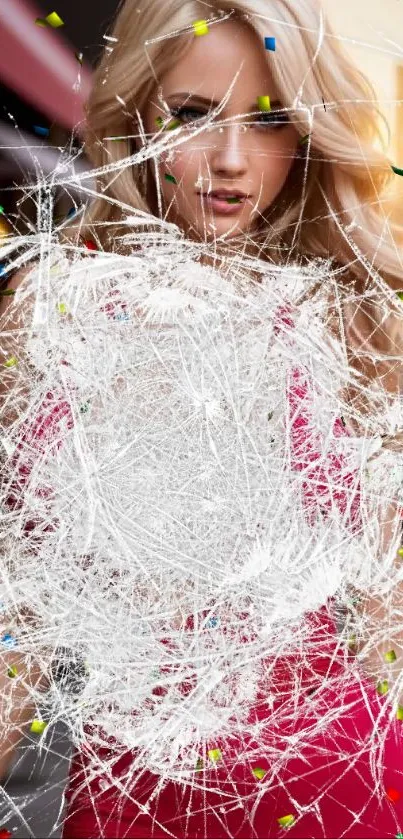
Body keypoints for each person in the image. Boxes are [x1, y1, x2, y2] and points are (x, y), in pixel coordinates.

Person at [1, 0, 403, 837]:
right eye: (190, 116)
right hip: (131, 792)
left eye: (267, 123)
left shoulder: (350, 320)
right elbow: (22, 617)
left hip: (340, 787)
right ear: (135, 117)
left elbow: (384, 614)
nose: (227, 161)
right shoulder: (49, 312)